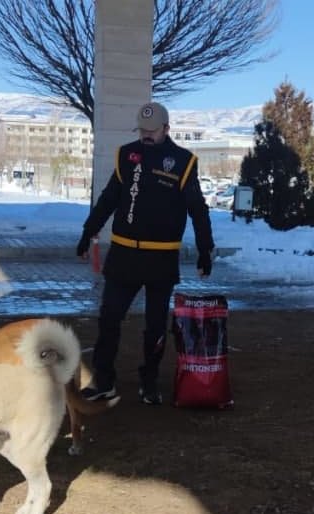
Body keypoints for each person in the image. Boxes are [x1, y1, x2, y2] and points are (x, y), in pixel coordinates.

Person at [76, 101, 215, 406]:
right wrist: (89, 231)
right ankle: (103, 381)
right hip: (124, 254)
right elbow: (109, 198)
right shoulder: (127, 155)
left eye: (152, 131)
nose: (147, 136)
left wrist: (206, 250)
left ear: (166, 129)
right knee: (109, 317)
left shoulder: (183, 161)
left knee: (154, 325)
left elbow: (198, 210)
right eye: (142, 130)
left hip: (160, 258)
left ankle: (149, 381)